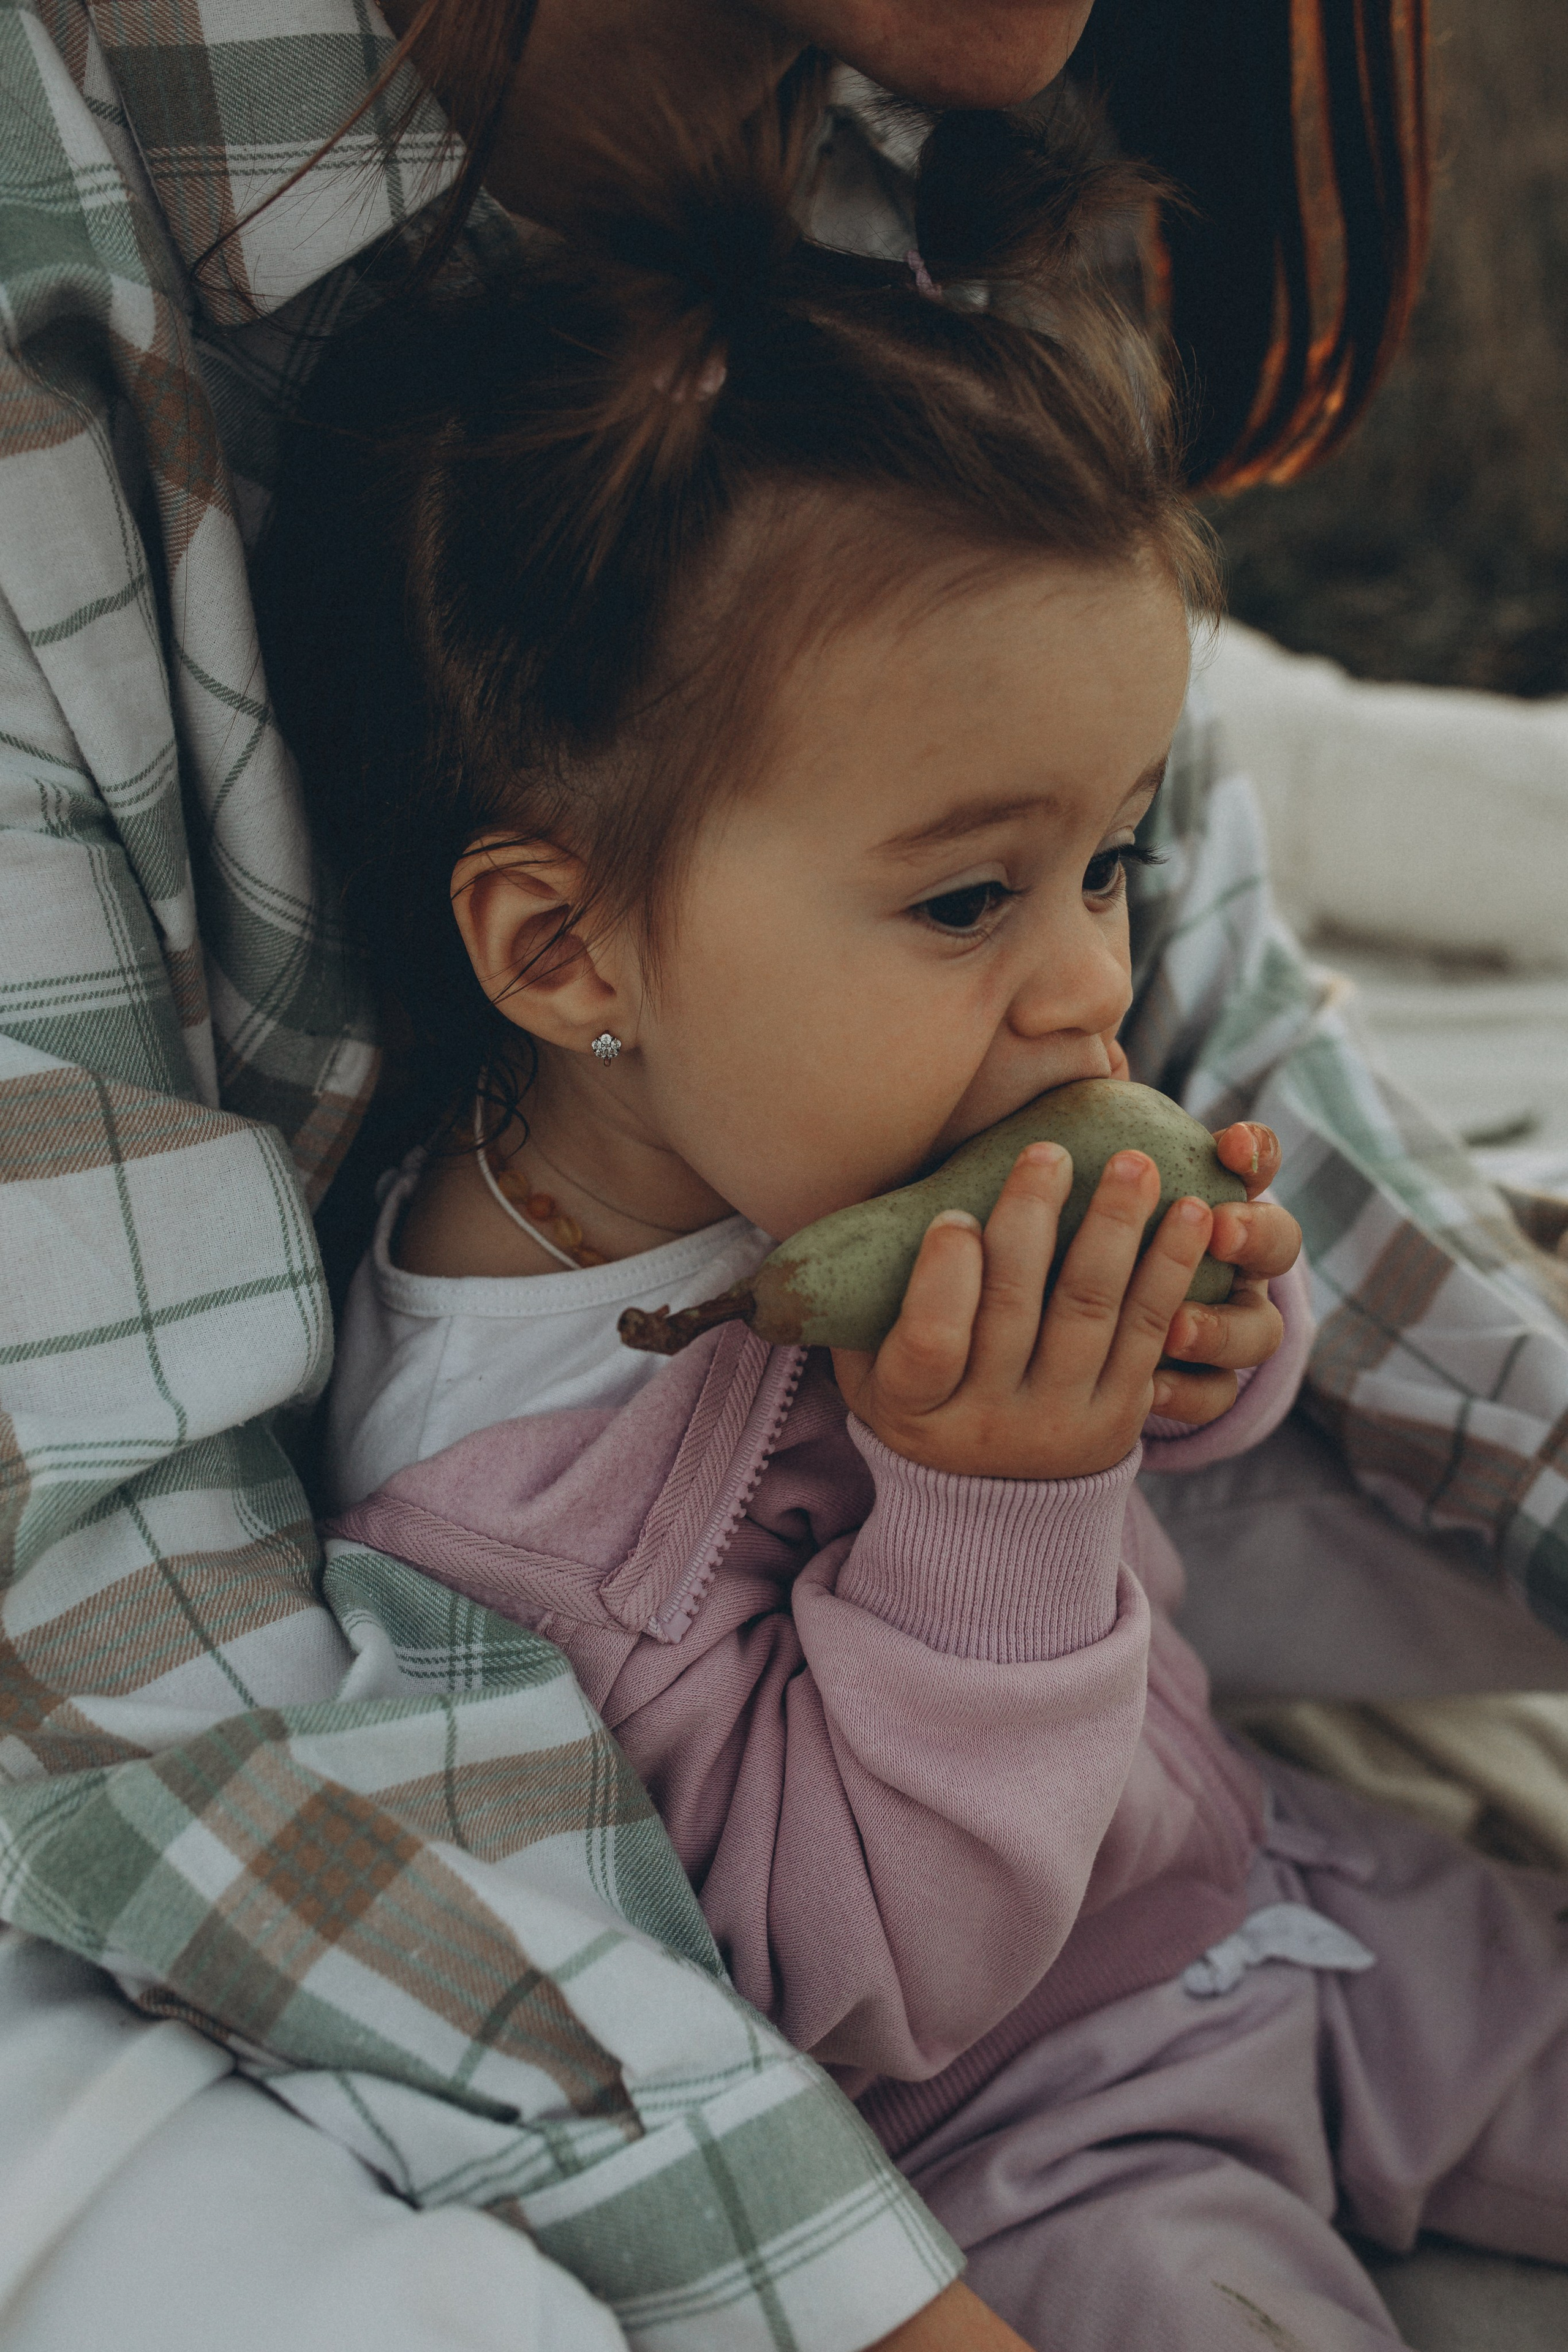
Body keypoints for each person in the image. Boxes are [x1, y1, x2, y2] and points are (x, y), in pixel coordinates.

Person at [0, 0, 1559, 2345]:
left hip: (1299, 1894)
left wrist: (1205, 1328)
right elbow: (868, 1979)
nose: (1081, 998)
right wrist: (994, 1506)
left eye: (1108, 866)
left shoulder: (901, 208)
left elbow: (1208, 1356)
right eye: (968, 904)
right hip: (1051, 2123)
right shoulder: (504, 1525)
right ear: (562, 949)